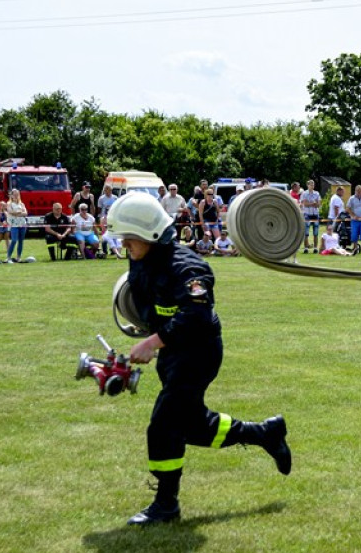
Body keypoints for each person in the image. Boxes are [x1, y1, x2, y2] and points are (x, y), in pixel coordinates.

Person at [104, 192, 291, 525]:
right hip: (173, 353)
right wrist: (146, 328)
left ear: (148, 234)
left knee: (163, 425)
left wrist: (154, 341)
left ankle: (165, 505)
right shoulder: (142, 260)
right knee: (189, 425)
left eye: (128, 239)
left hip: (198, 352)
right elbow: (149, 302)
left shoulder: (188, 267)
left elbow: (197, 316)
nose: (124, 246)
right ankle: (262, 433)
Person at [4, 189, 28, 263]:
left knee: (21, 241)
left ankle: (18, 257)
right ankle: (8, 257)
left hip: (22, 224)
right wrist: (20, 213)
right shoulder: (9, 204)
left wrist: (18, 213)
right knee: (14, 240)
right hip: (14, 225)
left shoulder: (22, 204)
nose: (16, 196)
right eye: (14, 194)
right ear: (11, 195)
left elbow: (26, 213)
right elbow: (11, 212)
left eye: (17, 194)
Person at [300, 179, 321, 253]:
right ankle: (306, 248)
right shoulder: (304, 193)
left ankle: (315, 248)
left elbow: (318, 204)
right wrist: (313, 203)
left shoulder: (317, 193)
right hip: (307, 214)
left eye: (313, 184)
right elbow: (305, 204)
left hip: (315, 214)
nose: (312, 186)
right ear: (307, 185)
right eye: (311, 184)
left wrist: (311, 203)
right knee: (306, 232)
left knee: (316, 232)